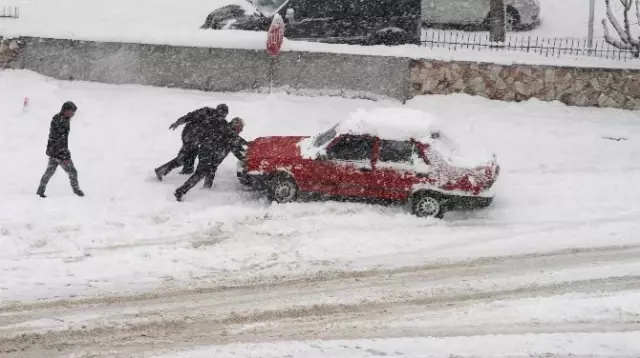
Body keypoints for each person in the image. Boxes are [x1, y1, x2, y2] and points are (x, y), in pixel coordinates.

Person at [174, 117, 248, 202]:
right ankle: (180, 191)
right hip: (207, 153)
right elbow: (235, 141)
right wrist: (247, 144)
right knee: (200, 174)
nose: (241, 130)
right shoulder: (227, 129)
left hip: (212, 155)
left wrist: (245, 157)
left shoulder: (231, 133)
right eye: (241, 127)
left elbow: (235, 148)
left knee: (211, 170)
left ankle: (206, 189)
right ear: (236, 125)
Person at [154, 104, 229, 180]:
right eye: (222, 112)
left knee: (192, 154)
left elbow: (225, 133)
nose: (223, 115)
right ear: (217, 110)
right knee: (184, 157)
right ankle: (161, 171)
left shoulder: (222, 122)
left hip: (198, 138)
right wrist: (178, 122)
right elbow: (190, 116)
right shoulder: (207, 111)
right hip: (190, 134)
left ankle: (187, 170)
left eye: (225, 113)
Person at [37, 101, 84, 198]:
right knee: (73, 172)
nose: (72, 114)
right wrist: (65, 156)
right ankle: (76, 191)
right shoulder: (61, 121)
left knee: (49, 172)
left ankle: (40, 191)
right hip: (60, 153)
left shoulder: (59, 118)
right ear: (65, 110)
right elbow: (60, 139)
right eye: (70, 112)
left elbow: (58, 138)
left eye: (73, 112)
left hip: (54, 152)